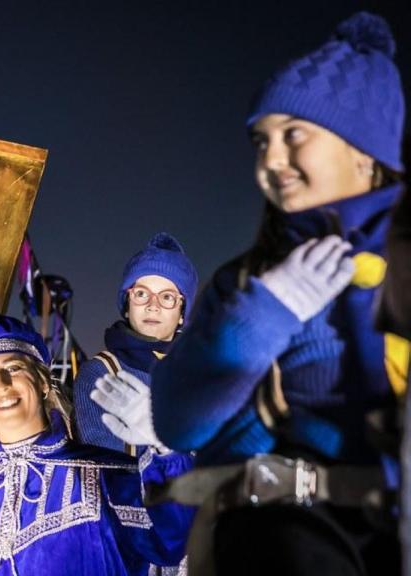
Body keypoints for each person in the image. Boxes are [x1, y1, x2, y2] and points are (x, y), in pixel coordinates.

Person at [150, 12, 405, 575]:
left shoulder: (403, 262)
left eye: (295, 136)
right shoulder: (248, 280)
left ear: (364, 152)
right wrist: (266, 314)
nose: (271, 160)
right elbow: (179, 422)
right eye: (261, 141)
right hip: (270, 542)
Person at [0, 310, 193, 575]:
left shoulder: (109, 479)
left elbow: (174, 542)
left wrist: (168, 449)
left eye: (14, 369)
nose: (1, 385)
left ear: (43, 382)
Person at [73, 232, 198, 453]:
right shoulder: (101, 372)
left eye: (167, 297)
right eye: (141, 293)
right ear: (127, 305)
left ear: (182, 313)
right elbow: (106, 469)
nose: (153, 305)